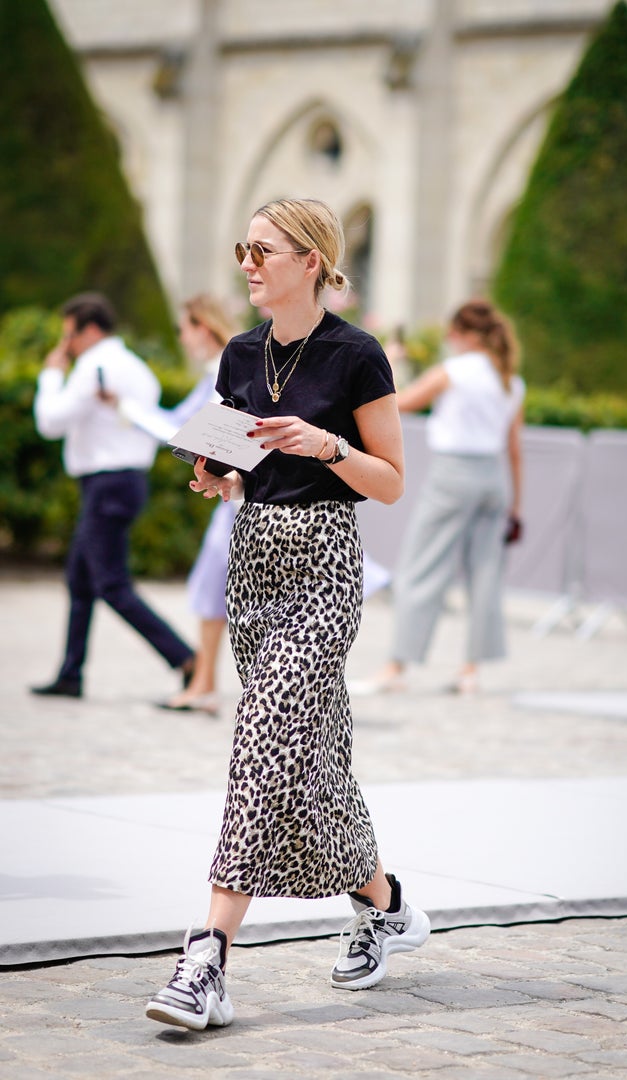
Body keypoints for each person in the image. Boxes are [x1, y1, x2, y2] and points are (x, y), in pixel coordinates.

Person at [145, 198, 430, 1030]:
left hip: (325, 567)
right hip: (253, 560)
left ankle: (206, 957)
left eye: (264, 250)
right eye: (244, 248)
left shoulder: (356, 355)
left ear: (313, 260)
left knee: (262, 738)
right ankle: (387, 905)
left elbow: (391, 480)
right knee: (309, 770)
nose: (247, 263)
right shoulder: (240, 355)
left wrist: (327, 445)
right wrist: (214, 474)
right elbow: (227, 467)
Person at [30, 292, 196, 699]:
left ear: (88, 330)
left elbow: (51, 422)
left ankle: (187, 658)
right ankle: (71, 673)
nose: (64, 345)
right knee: (81, 580)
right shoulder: (138, 368)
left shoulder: (94, 365)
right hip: (125, 479)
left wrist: (51, 375)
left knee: (111, 584)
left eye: (68, 335)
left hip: (106, 482)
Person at [357, 299, 524, 696]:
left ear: (466, 334)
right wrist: (517, 505)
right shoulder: (510, 380)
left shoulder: (451, 372)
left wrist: (392, 362)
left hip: (454, 473)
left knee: (421, 567)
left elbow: (395, 405)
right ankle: (471, 671)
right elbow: (515, 449)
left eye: (452, 333)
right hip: (494, 477)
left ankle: (397, 665)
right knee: (485, 573)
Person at [116, 295, 239, 715]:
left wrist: (127, 409)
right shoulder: (219, 370)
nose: (182, 338)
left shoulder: (225, 370)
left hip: (242, 499)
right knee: (211, 583)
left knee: (213, 583)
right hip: (236, 497)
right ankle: (204, 682)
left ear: (202, 327)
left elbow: (180, 430)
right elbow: (180, 424)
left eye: (183, 328)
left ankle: (206, 685)